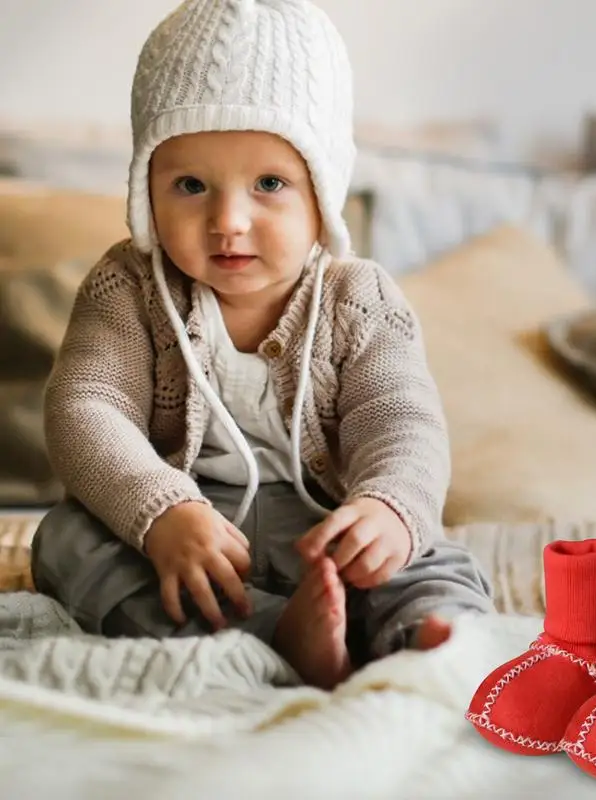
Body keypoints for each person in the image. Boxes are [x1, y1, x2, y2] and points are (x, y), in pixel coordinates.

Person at [31, 0, 493, 690]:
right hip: (186, 534)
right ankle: (276, 636)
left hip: (324, 525)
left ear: (322, 193)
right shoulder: (126, 286)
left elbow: (402, 419)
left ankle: (427, 640)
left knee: (427, 554)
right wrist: (161, 510)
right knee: (65, 543)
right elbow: (85, 409)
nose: (228, 221)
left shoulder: (357, 297)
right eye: (190, 185)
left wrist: (389, 507)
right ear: (144, 191)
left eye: (269, 184)